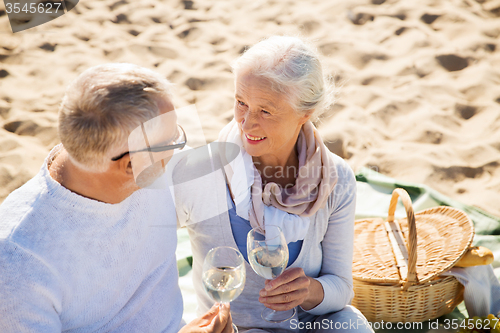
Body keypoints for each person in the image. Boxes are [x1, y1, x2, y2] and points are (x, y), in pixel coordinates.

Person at [0, 63, 233, 333]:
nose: (180, 150)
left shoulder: (150, 168)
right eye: (173, 141)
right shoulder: (19, 263)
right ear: (131, 166)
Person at [170, 36, 374, 332]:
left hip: (308, 325)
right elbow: (142, 250)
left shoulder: (336, 178)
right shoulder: (202, 174)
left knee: (351, 323)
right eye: (241, 103)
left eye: (266, 110)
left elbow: (341, 288)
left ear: (306, 114)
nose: (247, 122)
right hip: (233, 329)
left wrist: (309, 290)